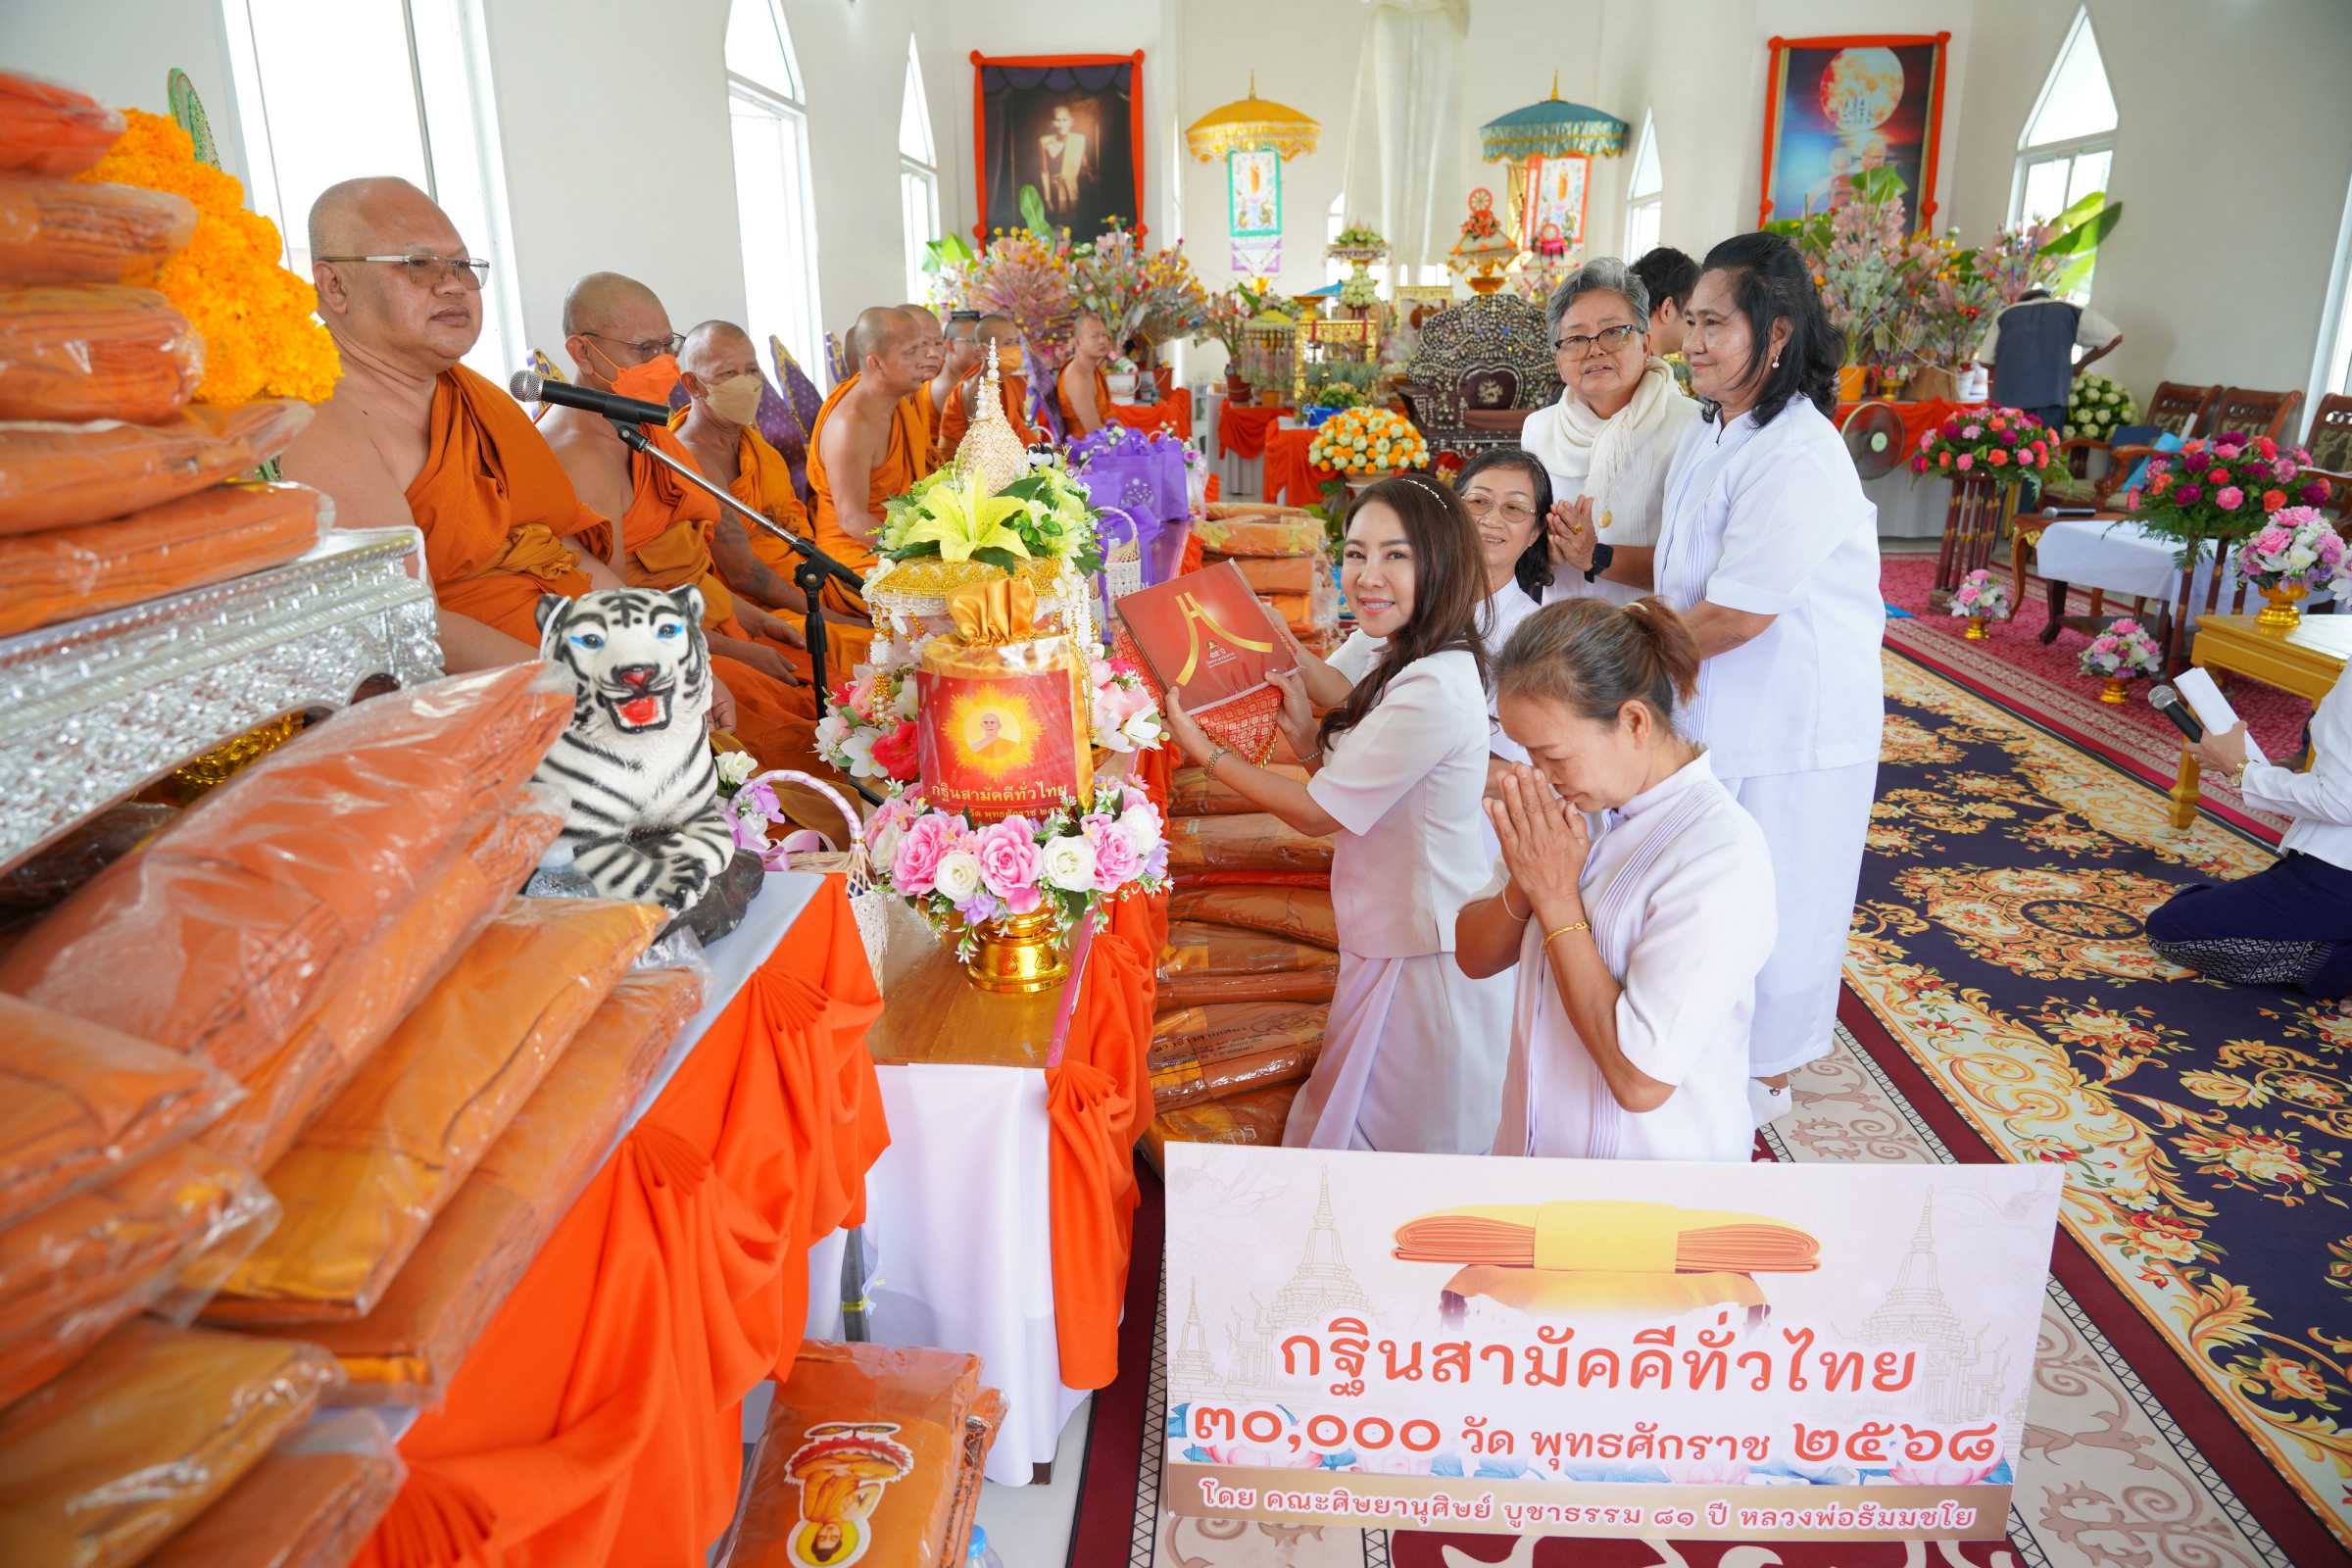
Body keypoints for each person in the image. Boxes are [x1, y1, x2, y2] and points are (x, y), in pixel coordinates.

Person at [1547, 230, 1882, 1122]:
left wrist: (1605, 666)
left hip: (1790, 726)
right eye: (1688, 322)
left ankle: (1756, 1095)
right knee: (1703, 898)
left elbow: (1736, 614)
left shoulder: (1799, 451)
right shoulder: (1718, 426)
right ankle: (1696, 1067)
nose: (1690, 343)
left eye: (1714, 325)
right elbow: (1685, 569)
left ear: (1776, 334)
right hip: (1716, 703)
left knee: (1774, 912)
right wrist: (1602, 559)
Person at [1162, 474, 1515, 1153]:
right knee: (1366, 1119)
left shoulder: (1434, 685)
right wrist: (1299, 720)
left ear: (1441, 561)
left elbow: (1317, 813)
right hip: (1390, 922)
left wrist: (1208, 754)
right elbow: (1348, 709)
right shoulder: (1407, 647)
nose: (1367, 575)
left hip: (1424, 944)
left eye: (1395, 555)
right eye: (1355, 554)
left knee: (1416, 1138)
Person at [278, 178, 662, 678]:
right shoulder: (317, 419)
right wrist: (593, 688)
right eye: (418, 264)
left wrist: (661, 651)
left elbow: (559, 550)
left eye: (462, 265)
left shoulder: (477, 398)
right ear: (334, 286)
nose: (453, 284)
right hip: (502, 697)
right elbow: (405, 623)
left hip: (597, 660)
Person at [1454, 597, 1776, 1160]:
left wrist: (1556, 898)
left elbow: (1640, 1081)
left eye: (1554, 754)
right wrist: (1527, 881)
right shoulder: (1583, 811)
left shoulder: (1719, 856)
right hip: (1533, 1154)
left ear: (1633, 722)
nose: (1540, 775)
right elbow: (1473, 957)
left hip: (1647, 1182)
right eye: (1527, 753)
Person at [544, 272, 828, 774]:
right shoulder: (580, 452)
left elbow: (691, 562)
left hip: (715, 618)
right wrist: (733, 649)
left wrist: (751, 617)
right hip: (666, 649)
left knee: (837, 682)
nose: (663, 363)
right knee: (807, 732)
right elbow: (620, 608)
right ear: (582, 352)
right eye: (644, 348)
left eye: (666, 345)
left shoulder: (638, 424)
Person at [672, 319, 869, 681]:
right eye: (728, 373)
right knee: (862, 642)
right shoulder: (692, 456)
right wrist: (833, 616)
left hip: (806, 577)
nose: (747, 382)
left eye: (751, 369)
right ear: (692, 384)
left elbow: (794, 528)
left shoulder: (752, 444)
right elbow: (743, 574)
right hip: (754, 606)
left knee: (901, 607)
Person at [2146, 677, 2352, 996]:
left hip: (2335, 874)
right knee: (2199, 904)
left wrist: (2240, 769)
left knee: (2172, 929)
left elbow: (2339, 800)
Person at [1520, 258, 1700, 609]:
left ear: (1645, 346)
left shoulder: (1691, 428)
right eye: (1575, 338)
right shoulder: (1539, 430)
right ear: (1559, 362)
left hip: (1652, 630)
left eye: (1613, 332)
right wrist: (1547, 552)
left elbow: (1695, 560)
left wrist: (1595, 555)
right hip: (1563, 631)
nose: (1595, 349)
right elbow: (1523, 545)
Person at [806, 306, 935, 671]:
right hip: (855, 553)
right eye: (911, 352)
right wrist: (917, 556)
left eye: (924, 347)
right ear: (876, 363)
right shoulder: (851, 425)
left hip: (897, 535)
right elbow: (851, 519)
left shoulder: (901, 403)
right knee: (943, 600)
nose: (926, 358)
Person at [1451, 449, 1551, 769]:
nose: (1491, 520)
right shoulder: (1413, 597)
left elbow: (1513, 762)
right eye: (1479, 501)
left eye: (1514, 508)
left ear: (1535, 533)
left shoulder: (1536, 634)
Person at [1981, 287, 2122, 430]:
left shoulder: (2006, 314)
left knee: (2008, 443)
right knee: (2046, 443)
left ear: (2022, 302)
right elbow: (2114, 338)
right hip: (2052, 398)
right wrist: (2079, 366)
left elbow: (1985, 361)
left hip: (2008, 398)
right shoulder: (2070, 311)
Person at [939, 315, 1040, 454]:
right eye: (1007, 343)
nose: (1015, 348)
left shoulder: (1002, 381)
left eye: (1017, 341)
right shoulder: (977, 390)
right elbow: (986, 449)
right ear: (984, 350)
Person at [925, 310, 983, 466]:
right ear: (950, 345)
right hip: (950, 468)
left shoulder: (964, 379)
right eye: (973, 340)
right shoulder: (945, 387)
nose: (980, 348)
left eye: (982, 340)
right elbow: (978, 439)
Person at [1628, 246, 1700, 358]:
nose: (1697, 324)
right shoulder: (1640, 365)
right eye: (1691, 313)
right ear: (1666, 310)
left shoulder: (1629, 357)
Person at [899, 303, 947, 456]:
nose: (934, 353)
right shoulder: (870, 410)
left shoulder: (915, 397)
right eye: (922, 344)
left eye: (938, 343)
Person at [1056, 312, 1115, 437]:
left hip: (1106, 431)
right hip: (1085, 444)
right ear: (1078, 342)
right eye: (1095, 336)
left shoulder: (1089, 368)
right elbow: (1094, 433)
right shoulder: (1077, 379)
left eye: (1104, 335)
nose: (1103, 341)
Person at [1040, 104, 1088, 219]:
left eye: (1065, 120)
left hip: (1072, 191)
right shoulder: (1044, 141)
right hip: (1054, 192)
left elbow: (1084, 165)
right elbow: (1044, 171)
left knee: (1072, 224)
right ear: (1052, 122)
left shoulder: (1079, 140)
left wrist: (1090, 174)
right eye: (1058, 120)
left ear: (1071, 122)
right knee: (1056, 225)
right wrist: (1047, 199)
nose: (1061, 124)